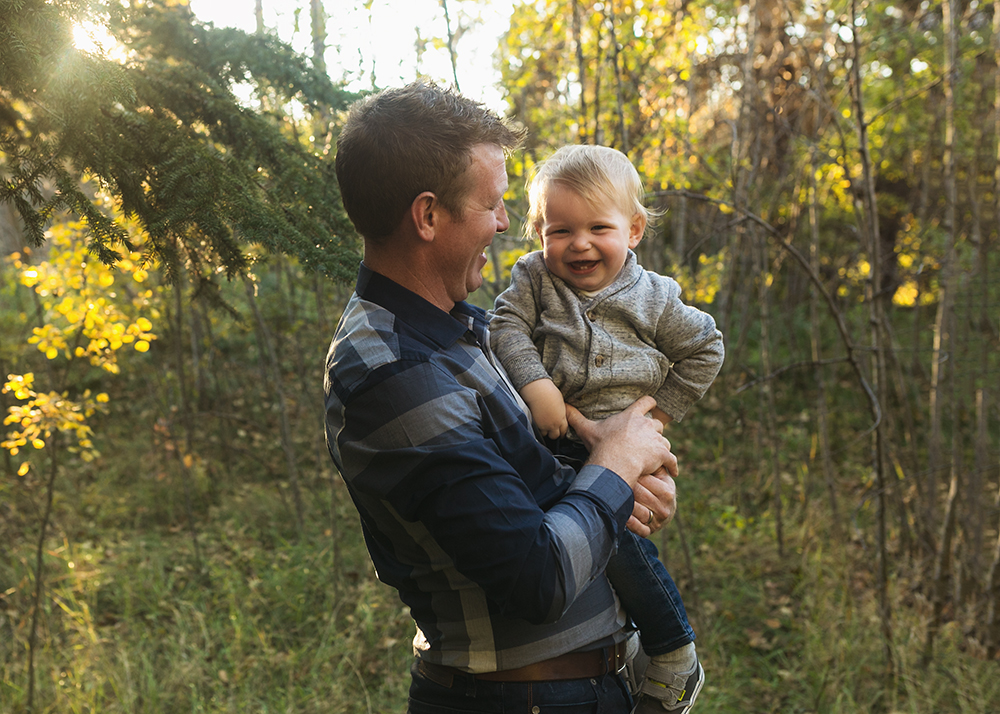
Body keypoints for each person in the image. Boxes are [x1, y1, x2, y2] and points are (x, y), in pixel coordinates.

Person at [326, 81, 681, 714]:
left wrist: (609, 448)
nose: (505, 224)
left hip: (579, 689)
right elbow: (533, 577)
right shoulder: (394, 373)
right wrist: (615, 467)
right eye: (491, 204)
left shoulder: (466, 329)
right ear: (428, 215)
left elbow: (548, 479)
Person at [490, 144, 725, 713]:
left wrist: (652, 418)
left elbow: (706, 348)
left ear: (635, 230)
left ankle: (674, 648)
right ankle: (625, 638)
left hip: (626, 439)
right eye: (559, 229)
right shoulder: (533, 280)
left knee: (614, 534)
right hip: (554, 435)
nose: (579, 243)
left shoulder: (655, 297)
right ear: (538, 232)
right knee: (570, 539)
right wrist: (538, 386)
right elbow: (503, 326)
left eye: (599, 226)